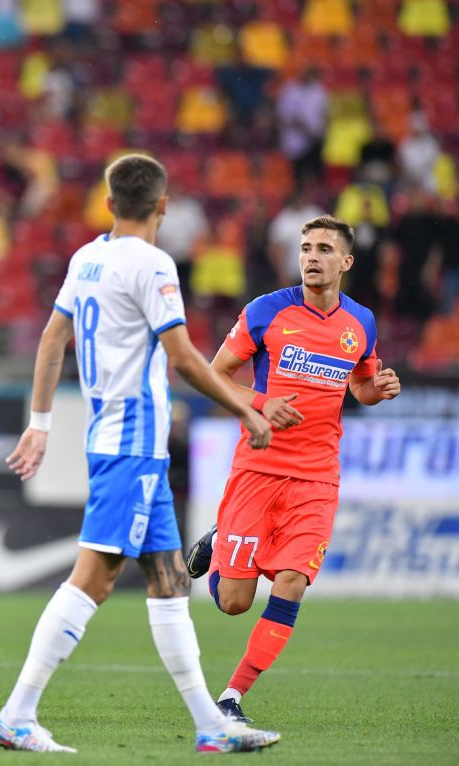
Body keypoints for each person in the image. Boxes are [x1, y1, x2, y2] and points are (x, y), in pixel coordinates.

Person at [0, 154, 282, 754]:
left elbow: (52, 338)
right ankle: (17, 714)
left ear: (108, 202)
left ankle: (210, 726)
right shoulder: (152, 264)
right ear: (164, 205)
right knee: (93, 579)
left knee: (172, 581)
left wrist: (41, 422)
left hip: (117, 437)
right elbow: (181, 356)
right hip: (133, 441)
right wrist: (245, 408)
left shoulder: (87, 256)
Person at [184, 215, 400, 723]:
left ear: (345, 262)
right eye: (306, 247)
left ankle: (231, 699)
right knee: (234, 601)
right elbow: (214, 376)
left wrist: (378, 389)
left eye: (324, 248)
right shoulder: (266, 312)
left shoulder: (360, 324)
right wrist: (261, 401)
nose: (311, 257)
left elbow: (361, 388)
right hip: (258, 468)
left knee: (292, 581)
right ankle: (220, 544)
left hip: (318, 477)